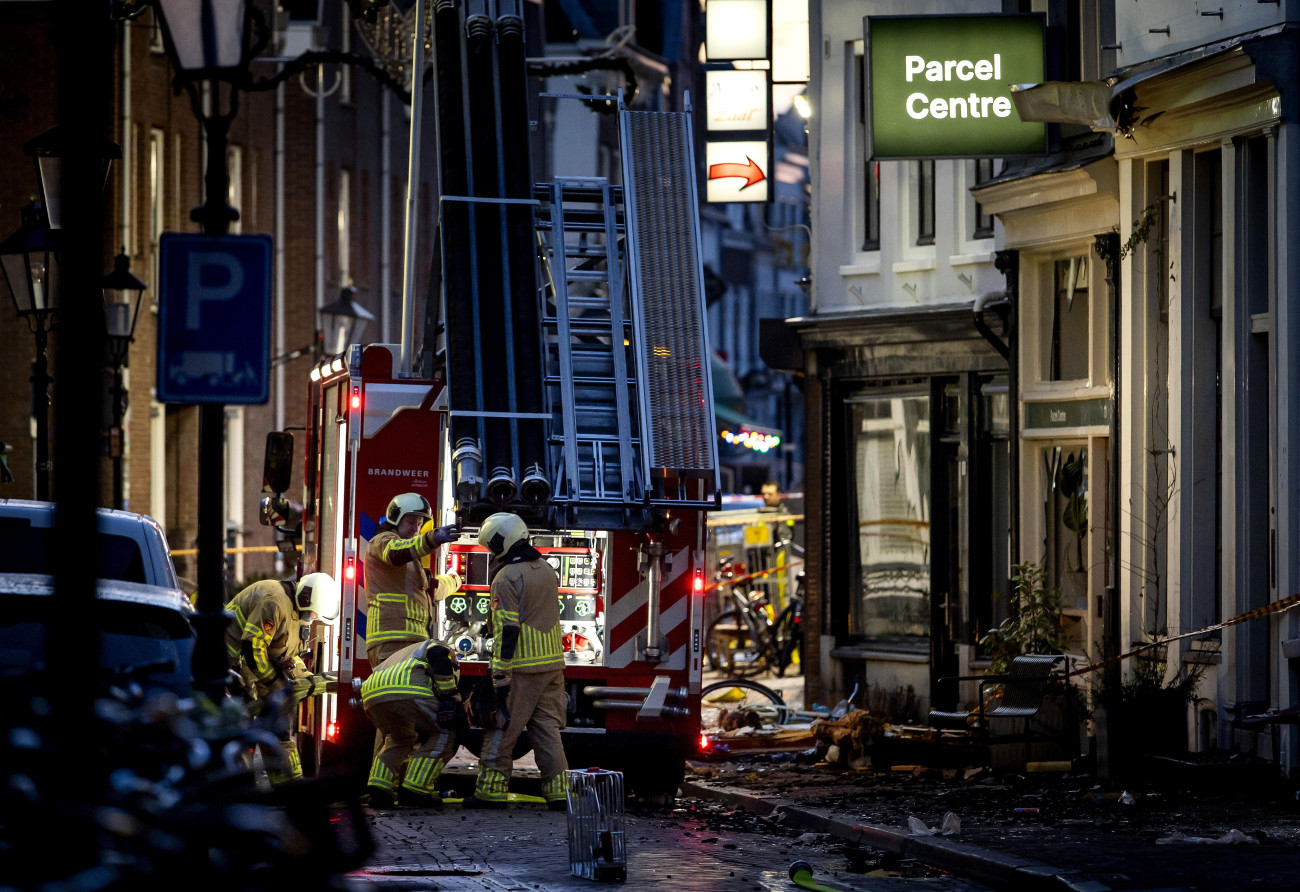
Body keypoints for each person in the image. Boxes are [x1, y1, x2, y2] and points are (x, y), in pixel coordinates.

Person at [466, 512, 568, 810]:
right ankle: (560, 793)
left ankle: (490, 792)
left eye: (493, 544)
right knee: (547, 731)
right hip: (552, 666)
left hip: (522, 667)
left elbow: (509, 629)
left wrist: (500, 672)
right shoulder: (545, 569)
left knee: (501, 730)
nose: (491, 550)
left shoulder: (506, 577)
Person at [224, 571, 339, 784]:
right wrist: (276, 684)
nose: (314, 619)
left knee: (276, 724)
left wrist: (305, 680)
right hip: (226, 663)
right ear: (307, 601)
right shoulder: (274, 601)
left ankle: (286, 786)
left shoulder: (297, 611)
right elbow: (253, 648)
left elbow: (286, 655)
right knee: (242, 724)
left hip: (249, 667)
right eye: (314, 614)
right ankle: (239, 786)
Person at [361, 637, 463, 809]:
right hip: (408, 690)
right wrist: (450, 696)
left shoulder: (408, 654)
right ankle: (416, 790)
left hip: (371, 696)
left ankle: (379, 790)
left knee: (399, 738)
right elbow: (439, 657)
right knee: (445, 732)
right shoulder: (441, 647)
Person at [364, 492, 461, 668]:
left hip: (412, 642)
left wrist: (455, 579)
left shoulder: (411, 561)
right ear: (395, 518)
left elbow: (432, 589)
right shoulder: (381, 542)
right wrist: (433, 538)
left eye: (419, 525)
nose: (416, 530)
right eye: (410, 523)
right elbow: (395, 552)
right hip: (390, 641)